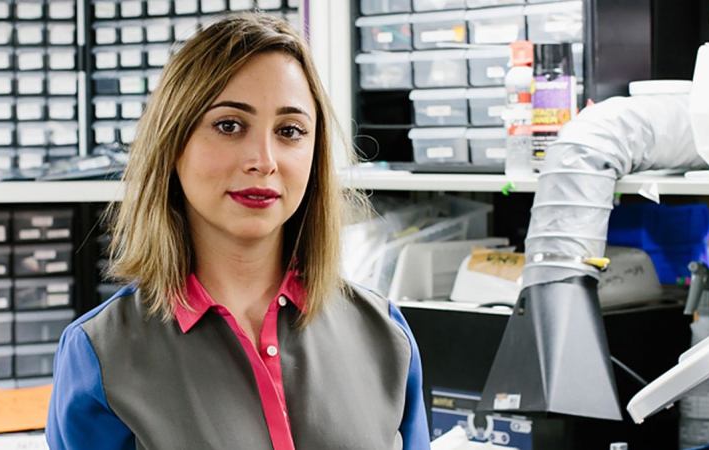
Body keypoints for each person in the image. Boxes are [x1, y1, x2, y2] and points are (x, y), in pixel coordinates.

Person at [46, 13, 430, 450]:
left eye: (290, 131)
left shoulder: (384, 335)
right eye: (229, 125)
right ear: (173, 143)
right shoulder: (101, 354)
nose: (263, 160)